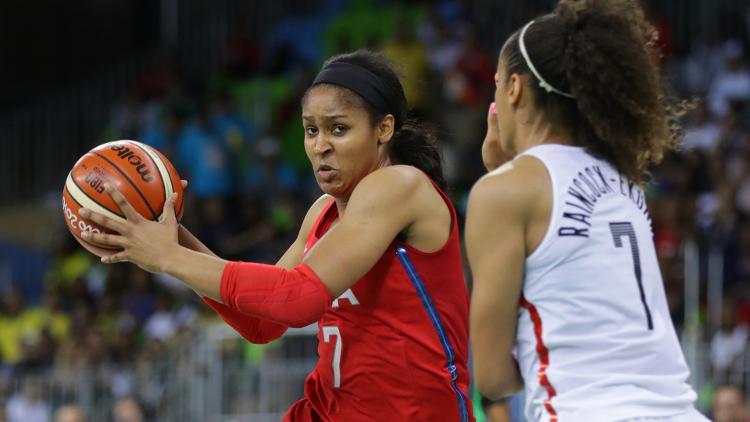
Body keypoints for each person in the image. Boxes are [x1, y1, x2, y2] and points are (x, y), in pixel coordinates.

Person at [78, 50, 474, 421]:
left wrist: (169, 258)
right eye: (310, 130)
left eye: (339, 129)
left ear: (383, 128)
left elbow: (298, 299)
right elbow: (262, 324)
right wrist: (174, 238)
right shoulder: (322, 211)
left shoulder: (401, 184)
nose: (321, 146)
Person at [465, 0, 708, 421]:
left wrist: (500, 175)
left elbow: (491, 376)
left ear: (515, 89)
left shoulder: (502, 193)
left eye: (497, 82)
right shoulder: (623, 178)